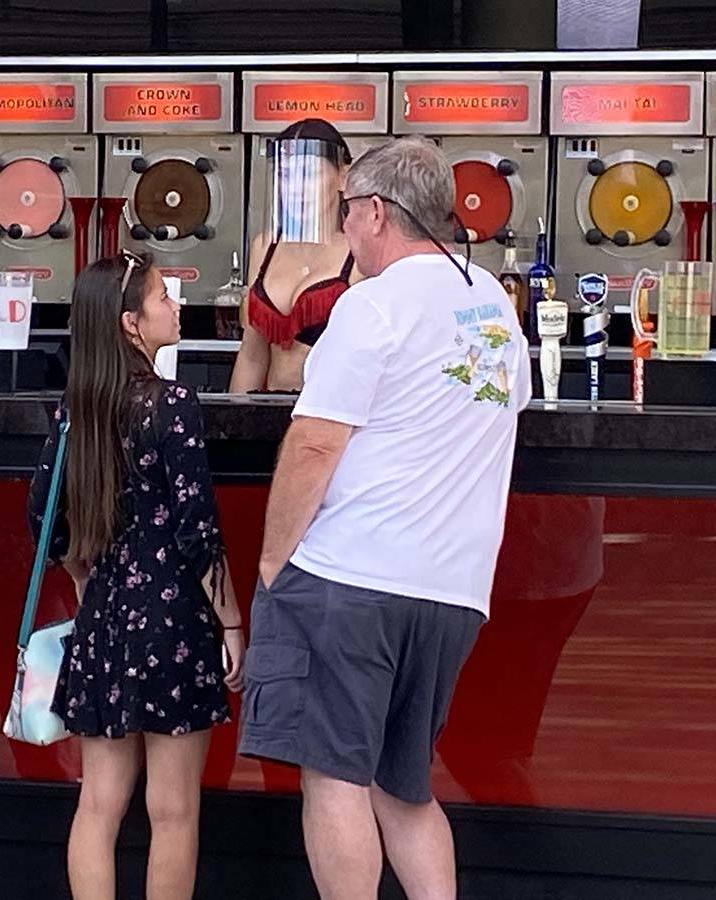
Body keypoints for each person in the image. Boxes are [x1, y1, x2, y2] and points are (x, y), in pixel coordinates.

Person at [239, 137, 531, 900]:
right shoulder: (494, 305)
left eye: (347, 212)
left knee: (334, 778)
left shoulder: (374, 305)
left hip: (354, 579)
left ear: (373, 211)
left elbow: (313, 445)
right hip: (454, 589)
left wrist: (273, 565)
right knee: (404, 785)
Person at [28, 251, 246, 900]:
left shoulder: (77, 411)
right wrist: (232, 619)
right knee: (172, 811)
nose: (175, 305)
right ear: (131, 323)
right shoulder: (171, 405)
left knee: (99, 805)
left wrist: (81, 579)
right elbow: (196, 529)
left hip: (104, 620)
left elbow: (46, 519)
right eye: (162, 297)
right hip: (173, 620)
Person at [230, 118, 361, 393]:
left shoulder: (361, 251)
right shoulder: (265, 246)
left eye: (310, 173)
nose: (297, 188)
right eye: (286, 175)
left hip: (328, 417)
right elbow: (252, 355)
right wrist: (231, 424)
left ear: (342, 177)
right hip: (266, 413)